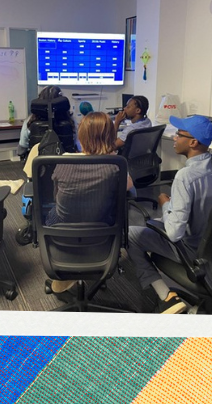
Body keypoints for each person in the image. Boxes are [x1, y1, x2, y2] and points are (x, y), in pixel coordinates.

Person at [127, 115, 212, 314]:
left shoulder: (185, 177)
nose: (174, 138)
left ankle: (166, 297)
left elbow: (173, 234)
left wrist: (165, 204)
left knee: (130, 235)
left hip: (194, 251)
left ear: (193, 142)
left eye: (178, 134)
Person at [41, 111, 134, 294]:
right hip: (102, 228)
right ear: (110, 137)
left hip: (62, 228)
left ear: (81, 136)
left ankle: (69, 270)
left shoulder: (63, 163)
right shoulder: (117, 166)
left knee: (54, 211)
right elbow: (128, 186)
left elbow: (55, 197)